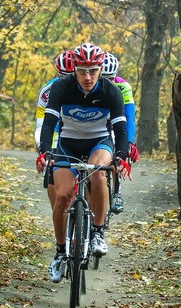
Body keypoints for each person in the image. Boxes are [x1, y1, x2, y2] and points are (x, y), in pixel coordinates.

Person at [36, 42, 131, 283]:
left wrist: (121, 155)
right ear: (74, 70)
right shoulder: (61, 88)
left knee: (99, 173)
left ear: (100, 70)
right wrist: (45, 151)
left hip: (98, 142)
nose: (87, 77)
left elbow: (120, 127)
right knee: (63, 196)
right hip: (68, 143)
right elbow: (48, 124)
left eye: (92, 71)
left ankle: (98, 233)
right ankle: (59, 253)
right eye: (81, 71)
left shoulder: (111, 91)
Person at [34, 50, 75, 209]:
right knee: (51, 170)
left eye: (70, 75)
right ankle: (57, 211)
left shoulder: (89, 86)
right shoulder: (48, 91)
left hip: (78, 130)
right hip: (56, 129)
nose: (67, 80)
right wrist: (43, 148)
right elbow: (41, 123)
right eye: (62, 75)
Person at [100, 52, 139, 163]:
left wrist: (129, 142)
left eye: (110, 78)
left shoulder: (123, 86)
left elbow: (129, 115)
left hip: (114, 119)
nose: (107, 82)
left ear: (115, 75)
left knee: (118, 154)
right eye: (102, 78)